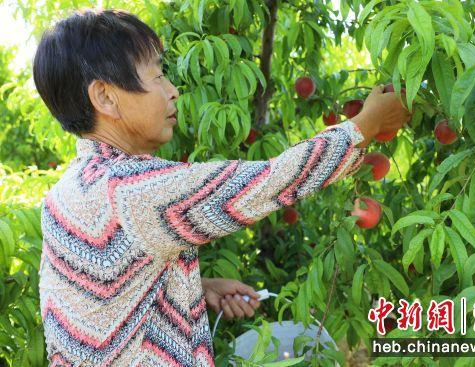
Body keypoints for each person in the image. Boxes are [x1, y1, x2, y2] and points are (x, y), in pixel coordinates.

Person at [32, 8, 410, 367]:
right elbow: (269, 181)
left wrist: (193, 289)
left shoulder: (67, 193)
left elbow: (100, 298)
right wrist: (364, 125)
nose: (173, 90)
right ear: (105, 97)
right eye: (157, 75)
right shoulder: (130, 191)